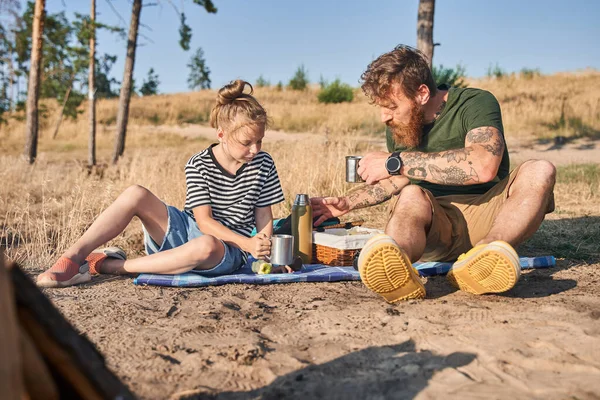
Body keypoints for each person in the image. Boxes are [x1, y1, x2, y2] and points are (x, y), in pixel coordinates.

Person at [311, 45, 556, 303]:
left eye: (392, 106)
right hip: (433, 225)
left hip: (490, 213)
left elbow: (483, 166)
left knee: (540, 169)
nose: (384, 117)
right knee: (410, 194)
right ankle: (397, 267)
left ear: (422, 94)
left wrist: (397, 161)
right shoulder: (400, 126)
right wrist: (348, 203)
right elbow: (401, 178)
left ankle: (487, 254)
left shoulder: (475, 103)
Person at [37, 80, 286, 288]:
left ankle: (108, 265)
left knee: (206, 245)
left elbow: (264, 214)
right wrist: (249, 243)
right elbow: (203, 222)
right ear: (221, 134)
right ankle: (73, 259)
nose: (255, 149)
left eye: (260, 141)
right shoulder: (198, 164)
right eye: (246, 142)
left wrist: (261, 251)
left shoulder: (263, 163)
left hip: (228, 250)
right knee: (136, 193)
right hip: (188, 230)